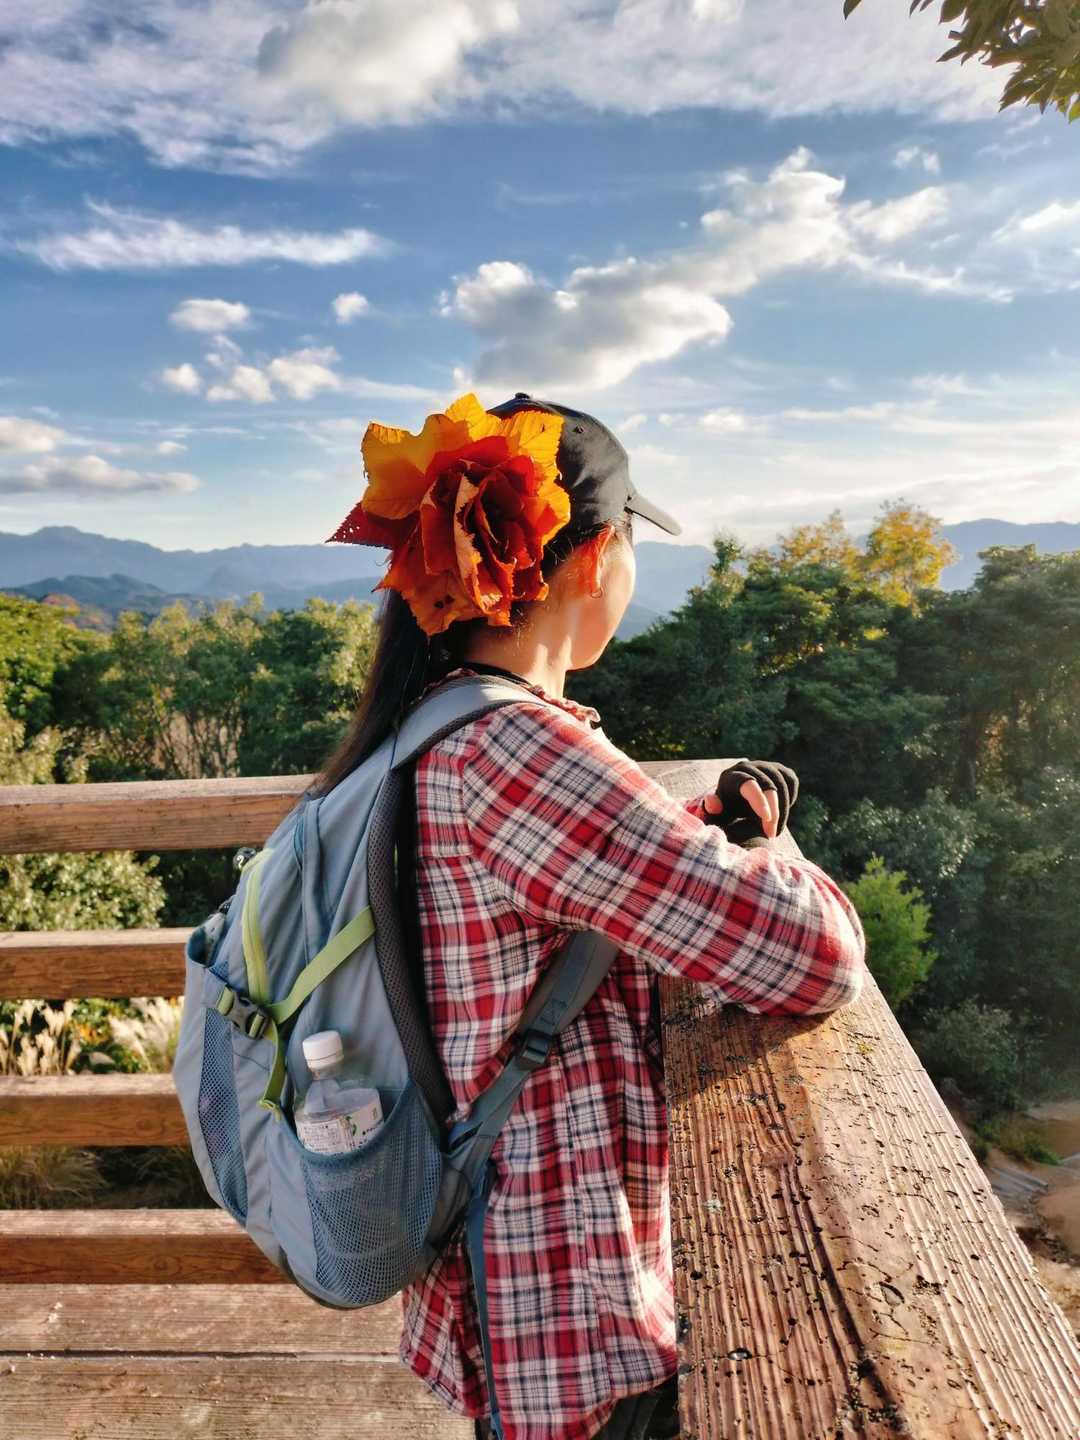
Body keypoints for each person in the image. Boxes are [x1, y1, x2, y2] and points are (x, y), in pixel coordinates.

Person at [317, 391, 867, 1440]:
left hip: (492, 1262)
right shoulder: (519, 753)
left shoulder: (431, 725)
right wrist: (764, 856)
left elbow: (561, 877)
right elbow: (817, 955)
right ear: (593, 557)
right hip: (562, 1299)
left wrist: (695, 829)